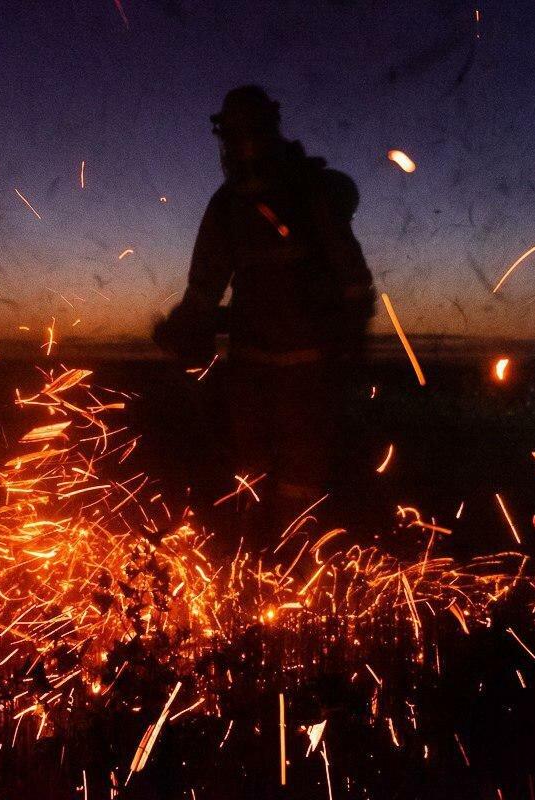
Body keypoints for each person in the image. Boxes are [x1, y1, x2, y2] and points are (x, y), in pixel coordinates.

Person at [154, 85, 375, 542]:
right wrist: (184, 327)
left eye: (246, 133)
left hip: (307, 366)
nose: (240, 145)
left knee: (300, 475)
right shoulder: (229, 204)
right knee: (251, 474)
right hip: (255, 366)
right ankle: (255, 564)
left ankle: (294, 568)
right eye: (234, 136)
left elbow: (352, 281)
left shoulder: (307, 193)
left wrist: (349, 342)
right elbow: (204, 288)